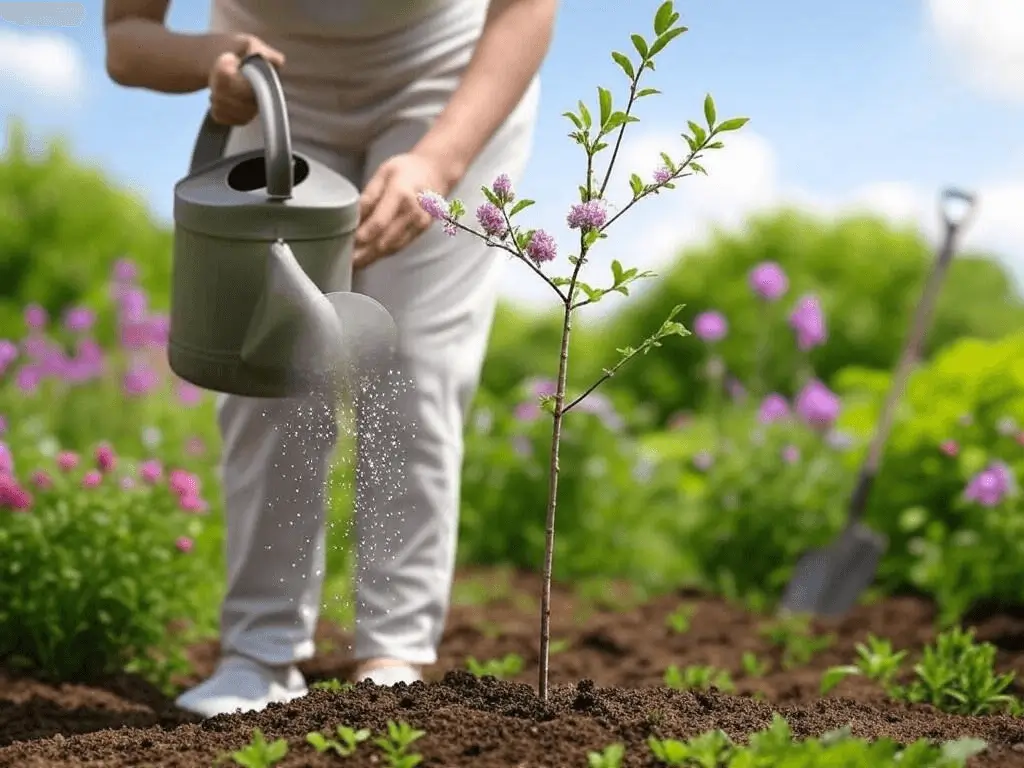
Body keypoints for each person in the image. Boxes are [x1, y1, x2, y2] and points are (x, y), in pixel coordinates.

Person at [103, 0, 555, 718]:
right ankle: (260, 651)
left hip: (444, 72)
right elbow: (126, 38)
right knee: (270, 364)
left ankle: (391, 654)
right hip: (274, 88)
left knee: (414, 367)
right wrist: (210, 62)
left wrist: (440, 157)